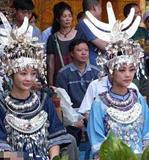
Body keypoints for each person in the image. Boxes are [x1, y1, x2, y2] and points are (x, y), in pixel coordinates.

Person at [84, 2, 149, 158]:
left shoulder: (137, 98)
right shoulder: (99, 103)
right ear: (110, 72)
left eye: (131, 70)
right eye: (122, 70)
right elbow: (97, 143)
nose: (128, 75)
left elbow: (148, 134)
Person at [0, 14, 71, 159]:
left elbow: (54, 137)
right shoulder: (2, 104)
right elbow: (2, 151)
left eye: (33, 73)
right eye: (23, 73)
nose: (29, 78)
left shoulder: (44, 100)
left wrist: (53, 158)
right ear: (11, 73)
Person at [47, 2, 85, 86]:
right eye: (64, 16)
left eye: (70, 16)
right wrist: (50, 84)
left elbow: (85, 57)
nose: (68, 19)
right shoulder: (53, 38)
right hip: (60, 79)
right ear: (57, 19)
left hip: (78, 78)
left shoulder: (79, 35)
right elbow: (50, 63)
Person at [76, 0, 108, 66]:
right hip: (91, 64)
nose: (101, 10)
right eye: (100, 7)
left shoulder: (94, 23)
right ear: (94, 8)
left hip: (99, 61)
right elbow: (103, 45)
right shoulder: (84, 23)